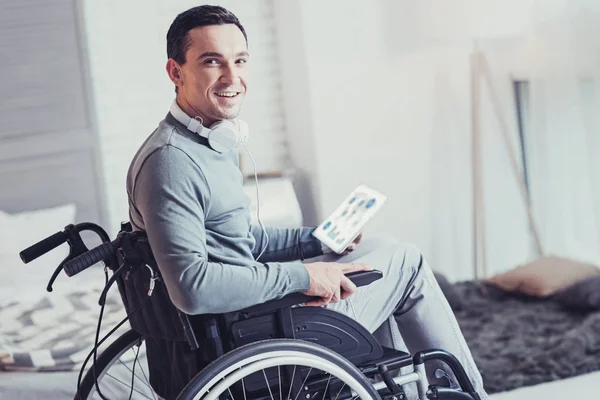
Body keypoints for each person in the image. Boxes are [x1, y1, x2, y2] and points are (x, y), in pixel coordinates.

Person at [126, 5, 489, 400]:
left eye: (240, 60)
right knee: (407, 263)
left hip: (248, 318)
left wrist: (315, 241)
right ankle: (469, 394)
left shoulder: (209, 143)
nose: (233, 78)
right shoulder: (171, 163)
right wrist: (307, 276)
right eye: (212, 62)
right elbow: (193, 288)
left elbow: (241, 240)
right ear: (175, 72)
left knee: (380, 249)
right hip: (250, 337)